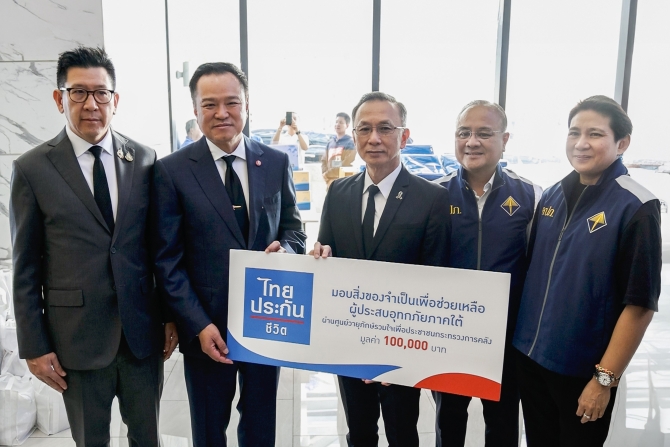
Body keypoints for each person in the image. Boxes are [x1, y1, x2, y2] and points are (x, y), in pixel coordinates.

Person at [9, 46, 177, 447]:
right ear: (59, 98)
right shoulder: (32, 169)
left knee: (147, 438)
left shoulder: (144, 159)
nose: (91, 104)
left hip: (141, 336)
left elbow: (159, 249)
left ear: (115, 100)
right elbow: (26, 267)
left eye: (101, 93)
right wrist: (34, 346)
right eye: (79, 92)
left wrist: (170, 315)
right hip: (77, 339)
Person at [152, 62, 307, 447]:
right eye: (210, 104)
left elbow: (294, 229)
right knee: (208, 430)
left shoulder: (275, 162)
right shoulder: (171, 171)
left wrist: (286, 250)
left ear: (247, 105)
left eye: (232, 102)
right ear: (195, 109)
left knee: (260, 427)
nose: (222, 113)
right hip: (206, 328)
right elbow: (167, 259)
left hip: (264, 321)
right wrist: (197, 324)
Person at [513, 95, 661, 447]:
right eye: (574, 132)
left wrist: (603, 380)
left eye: (595, 134)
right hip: (531, 360)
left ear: (621, 143)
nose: (581, 143)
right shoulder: (551, 196)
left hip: (583, 372)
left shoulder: (636, 206)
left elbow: (640, 305)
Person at [312, 92, 451, 447]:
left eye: (385, 128)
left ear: (404, 136)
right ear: (354, 136)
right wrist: (319, 255)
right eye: (365, 129)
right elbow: (326, 255)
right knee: (359, 432)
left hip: (402, 349)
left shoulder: (431, 198)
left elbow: (435, 282)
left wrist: (401, 354)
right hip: (348, 346)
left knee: (402, 434)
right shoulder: (338, 192)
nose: (374, 138)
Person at [434, 100, 542, 447]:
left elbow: (539, 266)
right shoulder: (434, 194)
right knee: (448, 422)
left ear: (504, 139)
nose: (472, 142)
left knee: (503, 423)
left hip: (506, 338)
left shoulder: (530, 196)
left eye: (484, 133)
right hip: (449, 335)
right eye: (463, 133)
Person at [321, 112, 356, 188]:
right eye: (336, 122)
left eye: (341, 122)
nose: (337, 124)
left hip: (344, 183)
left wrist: (328, 174)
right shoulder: (330, 143)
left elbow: (346, 162)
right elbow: (324, 161)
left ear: (347, 125)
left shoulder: (351, 143)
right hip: (329, 182)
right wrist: (325, 175)